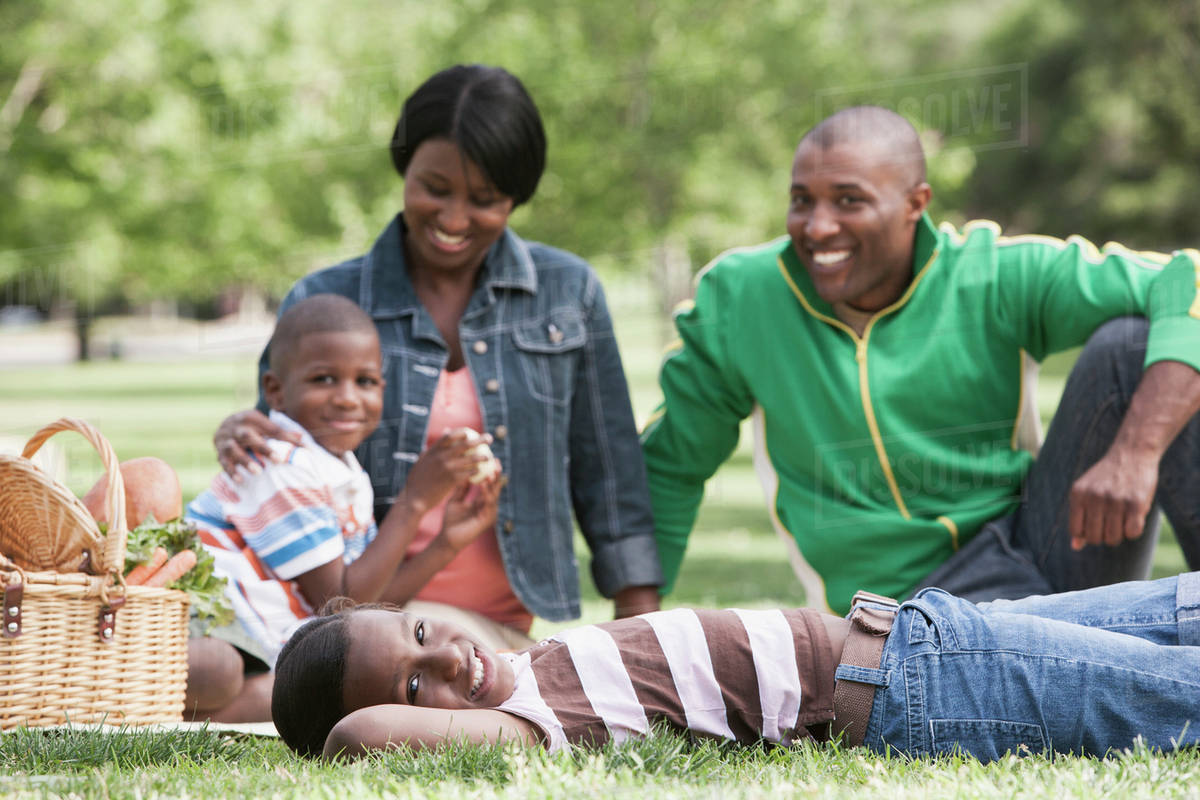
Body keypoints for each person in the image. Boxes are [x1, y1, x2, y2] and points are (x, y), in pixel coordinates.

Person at [640, 105, 1200, 615]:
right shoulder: (743, 299)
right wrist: (631, 634)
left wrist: (1136, 451)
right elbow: (669, 465)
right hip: (893, 615)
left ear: (916, 204)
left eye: (849, 200)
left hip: (1043, 555)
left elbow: (1187, 279)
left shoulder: (990, 274)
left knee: (1130, 346)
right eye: (801, 200)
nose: (818, 227)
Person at [210, 65, 662, 646]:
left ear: (515, 197)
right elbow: (282, 476)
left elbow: (612, 476)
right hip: (362, 628)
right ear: (405, 168)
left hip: (502, 633)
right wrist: (239, 436)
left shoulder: (568, 292)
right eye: (435, 189)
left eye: (485, 200)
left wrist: (641, 643)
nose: (453, 219)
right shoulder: (324, 303)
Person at [271, 572, 1200, 763]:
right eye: (413, 686)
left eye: (424, 634)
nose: (444, 662)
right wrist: (351, 714)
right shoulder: (534, 723)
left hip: (923, 629)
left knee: (1181, 607)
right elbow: (356, 733)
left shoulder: (541, 659)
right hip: (922, 688)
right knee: (1175, 694)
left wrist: (401, 638)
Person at [184, 294, 504, 721]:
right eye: (324, 380)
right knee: (234, 676)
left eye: (365, 381)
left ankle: (209, 710)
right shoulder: (280, 464)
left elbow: (368, 610)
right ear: (275, 391)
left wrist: (445, 544)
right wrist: (414, 502)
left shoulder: (338, 466)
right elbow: (340, 604)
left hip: (253, 637)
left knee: (332, 693)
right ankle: (159, 705)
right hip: (206, 625)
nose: (348, 398)